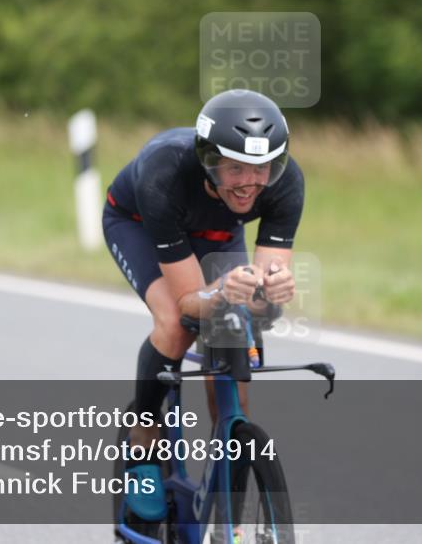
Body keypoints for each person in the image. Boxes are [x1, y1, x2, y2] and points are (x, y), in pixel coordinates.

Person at [102, 89, 303, 523]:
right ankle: (142, 447)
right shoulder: (164, 174)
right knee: (178, 324)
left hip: (217, 230)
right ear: (210, 161)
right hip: (140, 224)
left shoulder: (285, 183)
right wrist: (220, 293)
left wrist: (271, 294)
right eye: (235, 168)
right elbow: (191, 302)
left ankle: (228, 475)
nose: (250, 182)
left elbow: (260, 298)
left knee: (237, 324)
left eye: (262, 168)